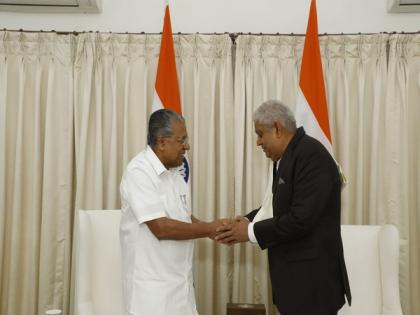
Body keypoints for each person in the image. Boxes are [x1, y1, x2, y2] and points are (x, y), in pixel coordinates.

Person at [216, 100, 352, 315]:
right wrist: (244, 221)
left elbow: (300, 219)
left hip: (312, 287)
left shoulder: (311, 155)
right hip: (294, 284)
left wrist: (249, 231)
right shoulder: (288, 156)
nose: (258, 142)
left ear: (278, 128)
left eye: (260, 134)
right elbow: (277, 206)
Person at [120, 109, 225, 315]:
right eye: (181, 140)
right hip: (153, 295)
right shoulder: (138, 171)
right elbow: (161, 228)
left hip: (181, 289)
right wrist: (207, 229)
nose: (187, 146)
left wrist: (215, 229)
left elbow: (183, 216)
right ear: (161, 142)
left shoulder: (177, 170)